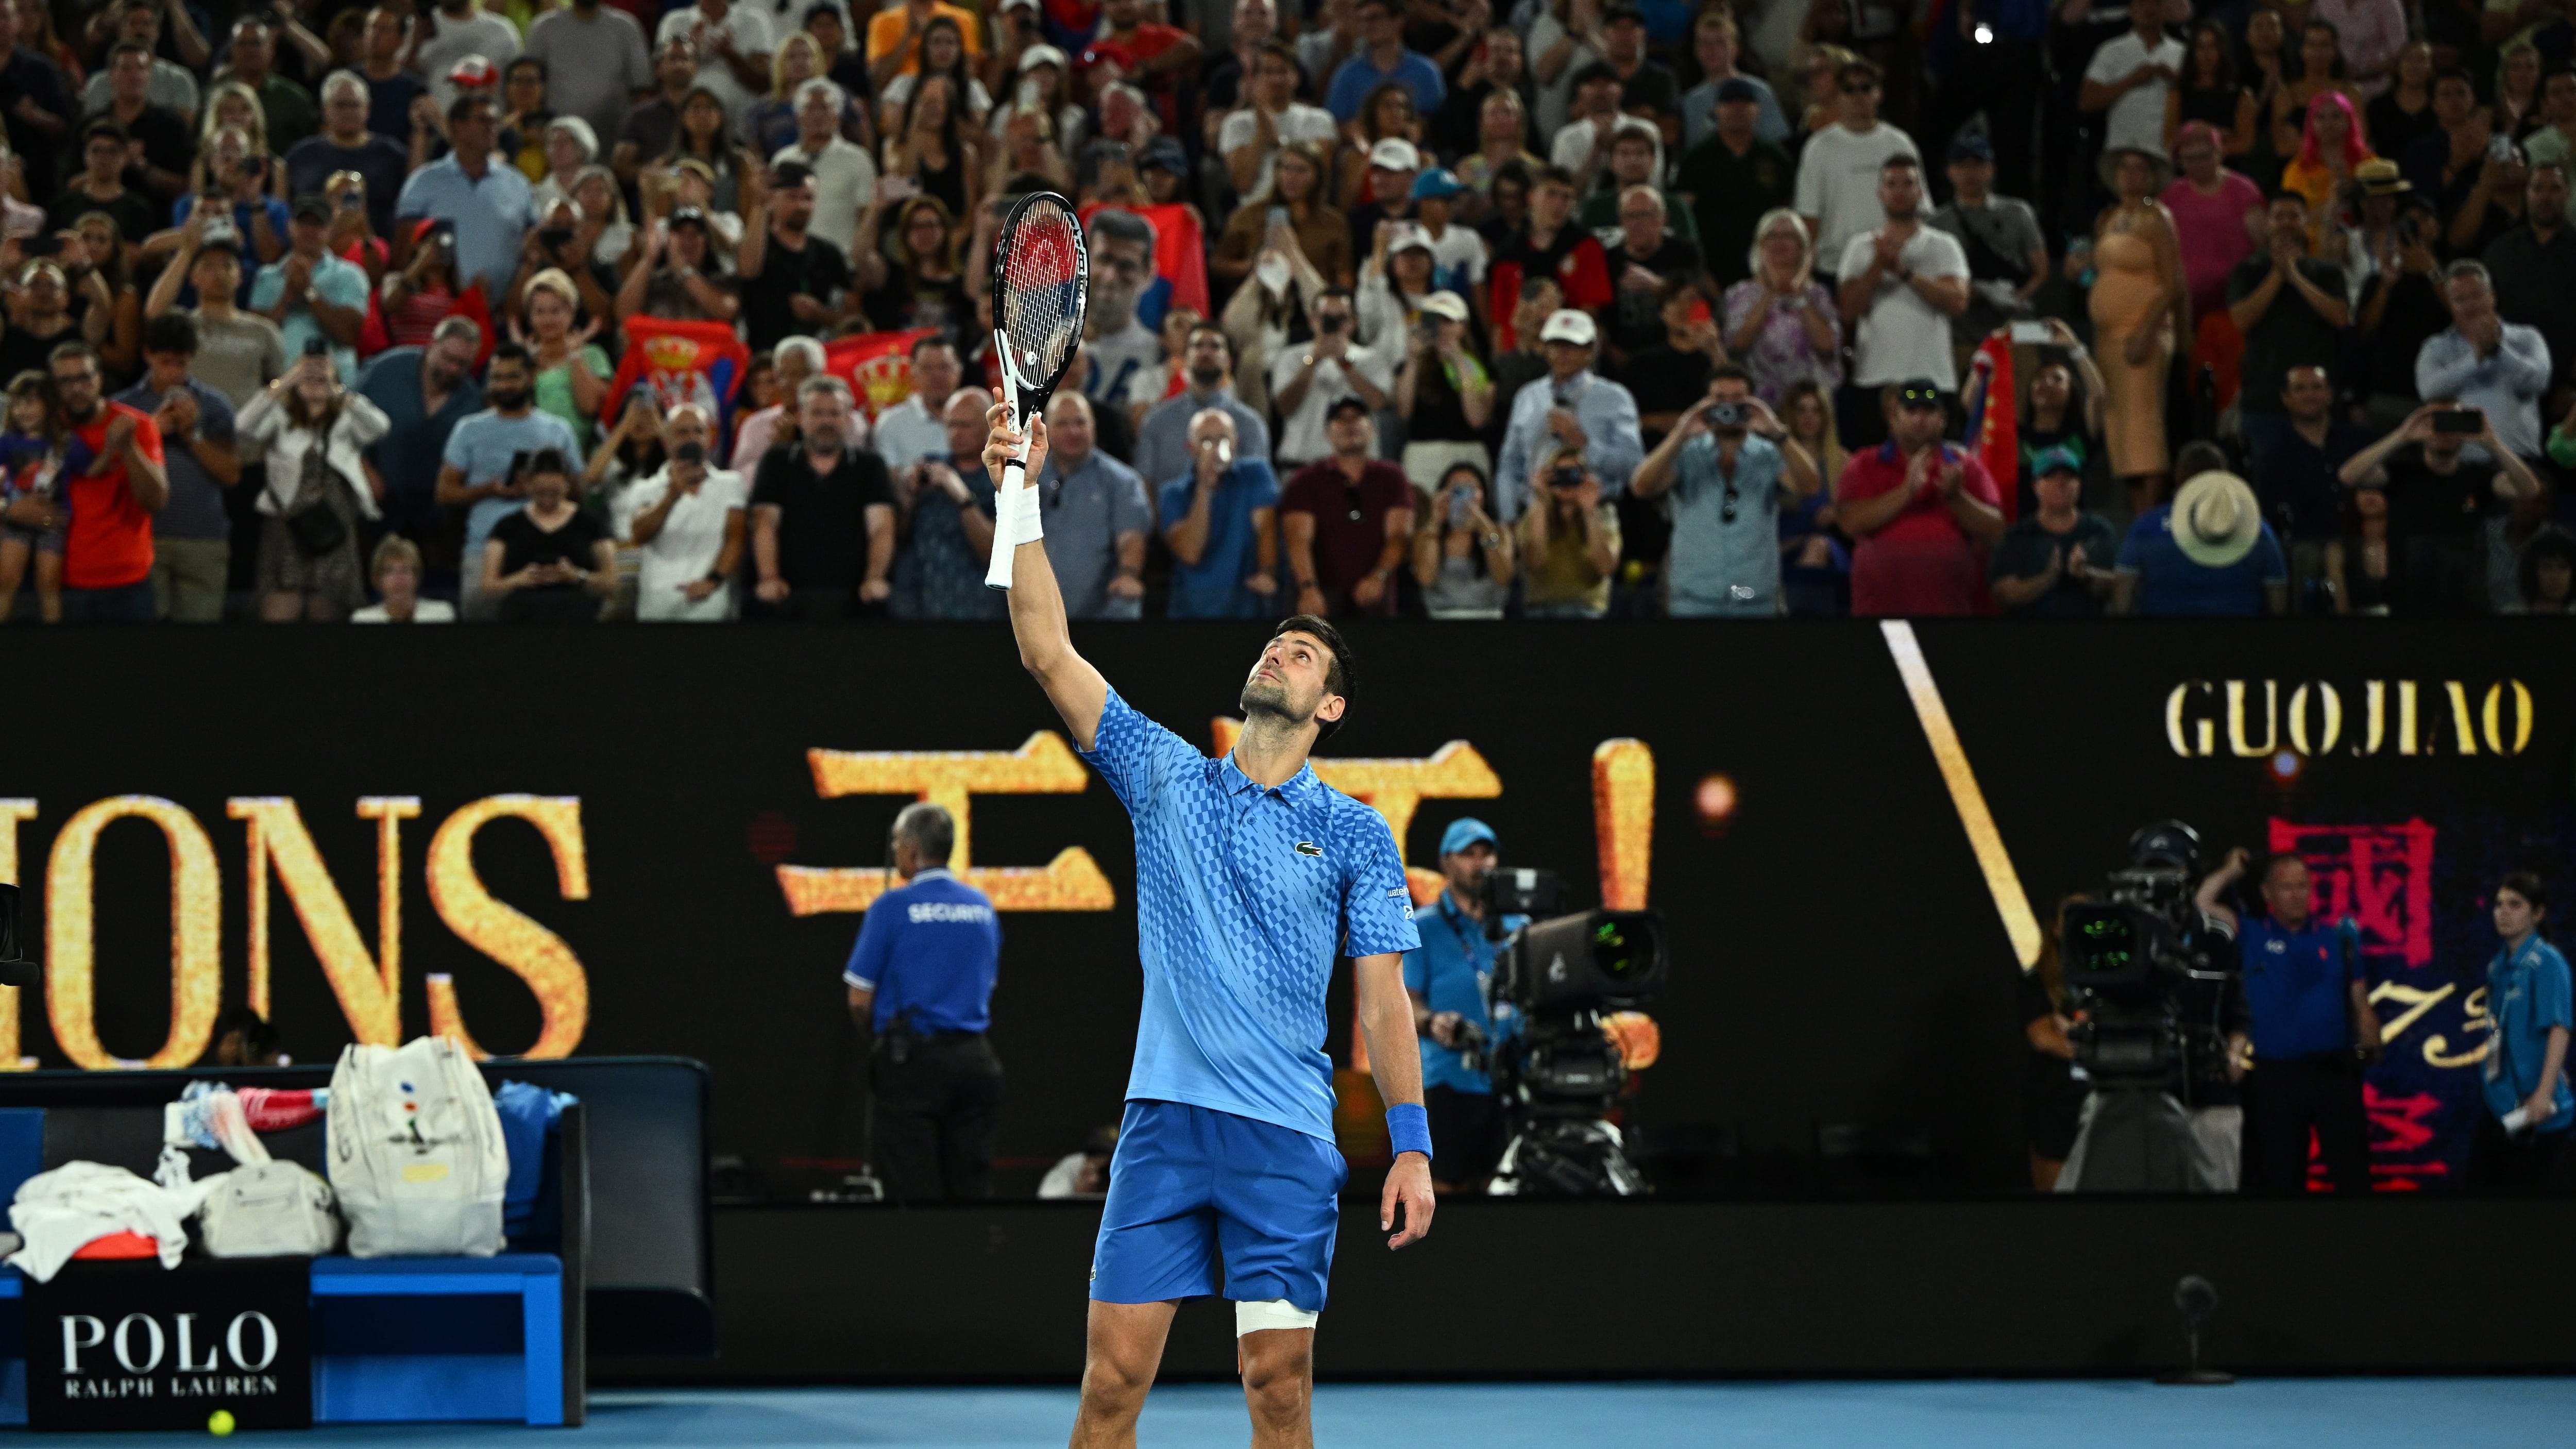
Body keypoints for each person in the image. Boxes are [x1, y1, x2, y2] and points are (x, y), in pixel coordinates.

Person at [980, 387, 1432, 1443]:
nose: (1278, 653)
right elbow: (1047, 647)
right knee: (1108, 1387)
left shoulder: (1359, 834)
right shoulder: (1165, 776)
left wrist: (1408, 1145)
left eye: (1303, 654)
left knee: (1276, 1387)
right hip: (1163, 1129)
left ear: (1330, 707)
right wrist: (1021, 489)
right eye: (1274, 644)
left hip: (1284, 1137)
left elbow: (1381, 1004)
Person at [841, 800, 1004, 1203]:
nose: (895, 852)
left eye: (897, 844)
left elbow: (860, 1000)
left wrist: (881, 1041)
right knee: (971, 1190)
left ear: (912, 850)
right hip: (975, 1064)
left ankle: (924, 1265)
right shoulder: (982, 908)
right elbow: (987, 983)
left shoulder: (891, 908)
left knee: (912, 1193)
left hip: (913, 1066)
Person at [2194, 848, 2380, 1196]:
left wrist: (2372, 1038)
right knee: (2281, 1179)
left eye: (2303, 886)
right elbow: (2202, 905)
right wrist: (2231, 871)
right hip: (2274, 1077)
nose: (2298, 895)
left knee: (2353, 1176)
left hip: (2334, 1074)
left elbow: (2359, 999)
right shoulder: (2250, 932)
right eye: (2287, 887)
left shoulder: (2338, 936)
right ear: (2268, 894)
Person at [1629, 363, 1817, 617]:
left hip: (1752, 596)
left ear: (1752, 404)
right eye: (1719, 398)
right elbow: (1641, 487)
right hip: (1693, 598)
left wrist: (1777, 432)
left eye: (1738, 399)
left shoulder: (1769, 454)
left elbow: (1811, 486)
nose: (1728, 406)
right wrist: (1681, 432)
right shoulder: (1686, 453)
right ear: (1706, 403)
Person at [1402, 817, 1526, 1193]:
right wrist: (1435, 1022)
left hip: (1510, 1079)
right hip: (1450, 1080)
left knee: (1507, 1189)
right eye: (1468, 854)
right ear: (1446, 863)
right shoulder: (1423, 927)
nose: (1480, 863)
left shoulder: (1518, 925)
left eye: (1486, 854)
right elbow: (1408, 1002)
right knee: (1443, 1189)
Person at [2334, 401, 2543, 615]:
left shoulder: (2478, 478)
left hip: (2464, 604)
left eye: (2453, 424)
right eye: (2438, 423)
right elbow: (2349, 476)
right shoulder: (2402, 473)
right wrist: (2402, 435)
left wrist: (2492, 443)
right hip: (2409, 602)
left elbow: (2529, 490)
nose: (2445, 432)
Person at [236, 349, 388, 622]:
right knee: (281, 607)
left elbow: (380, 427)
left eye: (321, 378)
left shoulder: (347, 420)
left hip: (335, 524)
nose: (314, 381)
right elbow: (243, 424)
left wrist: (338, 391)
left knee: (326, 608)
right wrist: (285, 381)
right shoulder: (280, 419)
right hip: (287, 525)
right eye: (307, 376)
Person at [435, 343, 583, 620]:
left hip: (548, 549)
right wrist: (489, 491)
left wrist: (544, 488)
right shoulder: (469, 429)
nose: (504, 385)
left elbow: (579, 493)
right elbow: (444, 492)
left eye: (513, 377)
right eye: (497, 378)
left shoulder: (558, 429)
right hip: (484, 548)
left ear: (531, 377)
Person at [1835, 379, 2005, 617]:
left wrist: (1957, 499)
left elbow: (1996, 530)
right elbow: (1849, 522)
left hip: (1951, 612)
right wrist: (1907, 492)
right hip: (1880, 613)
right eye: (1911, 411)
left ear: (1943, 419)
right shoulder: (1864, 463)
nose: (1920, 419)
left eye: (1929, 411)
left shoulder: (1965, 466)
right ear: (1894, 417)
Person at [1834, 157, 1969, 450]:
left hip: (1933, 377)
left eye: (1908, 183)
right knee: (1876, 468)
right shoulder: (1860, 247)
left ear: (1921, 191)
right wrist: (1878, 266)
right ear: (1880, 192)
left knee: (1936, 469)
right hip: (1875, 379)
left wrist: (1905, 273)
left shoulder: (1943, 246)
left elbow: (1957, 302)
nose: (1899, 191)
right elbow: (1848, 310)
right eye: (1891, 184)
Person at [117, 313, 236, 621]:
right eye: (165, 362)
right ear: (147, 355)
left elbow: (231, 474)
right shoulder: (121, 407)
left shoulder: (214, 405)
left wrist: (193, 436)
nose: (173, 373)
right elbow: (107, 472)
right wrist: (151, 431)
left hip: (203, 539)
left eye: (181, 364)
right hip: (142, 538)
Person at [2089, 144, 2187, 512]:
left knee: (2145, 432)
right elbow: (2104, 272)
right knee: (2122, 435)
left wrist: (2148, 329)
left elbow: (2172, 282)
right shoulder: (2110, 218)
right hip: (2109, 338)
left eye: (2139, 169)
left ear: (2151, 178)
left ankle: (2150, 516)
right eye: (2124, 169)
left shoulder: (2157, 217)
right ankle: (2135, 514)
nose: (2130, 176)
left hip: (2143, 332)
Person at [751, 376, 892, 618]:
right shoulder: (777, 461)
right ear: (799, 418)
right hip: (787, 598)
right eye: (817, 413)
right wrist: (769, 577)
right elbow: (764, 523)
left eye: (835, 413)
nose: (826, 421)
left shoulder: (871, 465)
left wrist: (874, 578)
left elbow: (881, 527)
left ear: (848, 418)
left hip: (855, 599)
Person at [2228, 193, 2351, 464]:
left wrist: (2295, 276)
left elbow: (2340, 317)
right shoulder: (2247, 271)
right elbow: (2242, 320)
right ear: (2267, 224)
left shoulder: (2328, 272)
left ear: (2307, 223)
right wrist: (2277, 275)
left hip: (2317, 402)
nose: (2286, 223)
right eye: (2279, 216)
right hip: (2264, 399)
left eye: (2294, 216)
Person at [48, 341, 165, 622]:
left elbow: (156, 501)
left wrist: (127, 449)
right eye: (66, 381)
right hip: (67, 580)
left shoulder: (136, 425)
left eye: (84, 378)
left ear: (99, 378)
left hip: (130, 580)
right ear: (54, 386)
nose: (76, 389)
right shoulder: (47, 429)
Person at [2469, 871, 2570, 1193]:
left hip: (2536, 1109)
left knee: (2523, 1203)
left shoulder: (2547, 962)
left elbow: (2559, 1027)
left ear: (2537, 914)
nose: (2504, 912)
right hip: (2502, 1099)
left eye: (2515, 904)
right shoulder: (2498, 967)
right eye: (2499, 904)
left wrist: (2545, 1091)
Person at [1492, 308, 1641, 523]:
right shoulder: (1528, 396)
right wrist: (1508, 518)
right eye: (1556, 344)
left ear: (1590, 350)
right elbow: (1509, 464)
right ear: (1545, 348)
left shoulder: (1615, 398)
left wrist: (1584, 444)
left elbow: (1633, 465)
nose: (1562, 353)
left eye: (1572, 345)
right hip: (1537, 512)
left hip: (1593, 513)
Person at [355, 316, 481, 554]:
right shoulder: (385, 370)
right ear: (432, 345)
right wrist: (363, 466)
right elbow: (343, 419)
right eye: (448, 358)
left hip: (434, 519)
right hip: (376, 505)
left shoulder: (472, 401)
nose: (453, 369)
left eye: (463, 365)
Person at [396, 93, 534, 300]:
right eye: (482, 120)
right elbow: (402, 254)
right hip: (437, 314)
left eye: (495, 121)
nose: (492, 127)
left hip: (501, 314)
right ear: (456, 127)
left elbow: (532, 247)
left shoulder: (517, 184)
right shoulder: (424, 182)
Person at [2111, 458, 2289, 616]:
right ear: (2225, 479)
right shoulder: (2258, 530)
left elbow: (2122, 600)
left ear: (2178, 479)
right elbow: (2279, 602)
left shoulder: (2146, 527)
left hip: (2160, 642)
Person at [1791, 59, 1917, 281]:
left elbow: (1918, 206)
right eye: (1849, 90)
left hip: (1895, 264)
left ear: (1879, 93)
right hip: (1835, 266)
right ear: (1838, 96)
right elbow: (1808, 214)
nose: (1858, 95)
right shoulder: (1819, 148)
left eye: (1866, 88)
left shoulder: (1900, 143)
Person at [621, 405, 748, 622]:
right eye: (682, 432)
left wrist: (713, 581)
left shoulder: (731, 484)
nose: (692, 438)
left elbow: (736, 538)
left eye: (698, 431)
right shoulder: (645, 489)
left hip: (712, 607)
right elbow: (639, 534)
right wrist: (672, 495)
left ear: (709, 438)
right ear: (666, 440)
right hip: (657, 608)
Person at [2415, 262, 2551, 464]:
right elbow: (2429, 390)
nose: (2470, 306)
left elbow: (2539, 381)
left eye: (2476, 296)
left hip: (2520, 462)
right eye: (2460, 300)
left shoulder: (2527, 338)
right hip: (2463, 465)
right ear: (2451, 305)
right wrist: (2476, 360)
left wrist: (2498, 351)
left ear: (2493, 296)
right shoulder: (2436, 348)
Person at [886, 389, 1000, 621]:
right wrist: (908, 496)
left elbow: (994, 554)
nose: (956, 434)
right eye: (950, 425)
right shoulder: (930, 467)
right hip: (917, 609)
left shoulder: (1003, 478)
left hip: (977, 612)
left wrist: (962, 497)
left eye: (965, 426)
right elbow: (899, 536)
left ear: (990, 427)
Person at [1927, 132, 2046, 351]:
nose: (1970, 173)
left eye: (1978, 164)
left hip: (2018, 325)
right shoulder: (1935, 223)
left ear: (1992, 169)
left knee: (2024, 380)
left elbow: (2041, 269)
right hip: (1961, 330)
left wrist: (2018, 297)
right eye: (1962, 165)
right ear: (1950, 172)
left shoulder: (2018, 212)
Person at [1674, 77, 1794, 292]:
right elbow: (1683, 218)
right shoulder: (1697, 159)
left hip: (1766, 265)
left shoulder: (1776, 158)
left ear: (1757, 110)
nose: (1738, 109)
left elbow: (1789, 212)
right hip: (1711, 266)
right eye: (1729, 103)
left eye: (1745, 103)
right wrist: (1696, 269)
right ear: (1717, 111)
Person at [1160, 408, 1281, 619]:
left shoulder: (1256, 474)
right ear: (1191, 448)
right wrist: (1204, 487)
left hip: (1248, 612)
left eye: (1223, 439)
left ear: (1236, 443)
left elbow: (1265, 527)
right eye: (1206, 441)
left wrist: (1267, 573)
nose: (1216, 448)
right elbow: (1190, 552)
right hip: (1190, 615)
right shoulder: (1173, 494)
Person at [482, 446, 615, 622]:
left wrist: (577, 576)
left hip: (576, 616)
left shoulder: (591, 524)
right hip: (521, 616)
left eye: (555, 493)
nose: (547, 501)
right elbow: (488, 585)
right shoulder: (507, 526)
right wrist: (517, 580)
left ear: (568, 485)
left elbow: (611, 582)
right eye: (540, 493)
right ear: (527, 484)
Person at [1723, 210, 1839, 406]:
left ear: (1802, 246)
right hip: (1760, 401)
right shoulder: (1740, 294)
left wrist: (1799, 294)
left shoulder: (1817, 295)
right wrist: (1771, 292)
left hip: (1809, 405)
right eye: (1772, 235)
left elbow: (1828, 347)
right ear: (1760, 245)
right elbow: (1737, 346)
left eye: (1789, 236)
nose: (1780, 242)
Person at [250, 194, 369, 384]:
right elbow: (255, 340)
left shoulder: (350, 275)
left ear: (330, 230)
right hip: (281, 384)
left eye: (317, 225)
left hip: (335, 385)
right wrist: (288, 296)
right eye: (303, 224)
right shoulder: (268, 276)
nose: (309, 231)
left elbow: (348, 336)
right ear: (290, 227)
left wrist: (310, 293)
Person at [1135, 325, 1272, 490]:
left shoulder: (1251, 424)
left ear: (1229, 361)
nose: (1206, 353)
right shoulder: (1157, 421)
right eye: (1197, 346)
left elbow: (1258, 489)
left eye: (1215, 347)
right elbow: (1145, 485)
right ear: (1185, 358)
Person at [1990, 445, 2118, 617]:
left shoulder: (2099, 532)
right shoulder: (2017, 536)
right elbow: (2003, 595)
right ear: (2035, 485)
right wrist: (2047, 579)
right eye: (2051, 476)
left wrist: (2087, 576)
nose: (2061, 483)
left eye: (2068, 476)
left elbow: (2119, 588)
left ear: (2079, 484)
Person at [2161, 122, 2264, 326]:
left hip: (2233, 300)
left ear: (2220, 153)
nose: (2198, 164)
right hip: (2185, 303)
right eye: (2189, 159)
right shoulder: (2171, 194)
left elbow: (2262, 246)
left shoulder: (2244, 191)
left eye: (2204, 156)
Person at [287, 74, 413, 242]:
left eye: (354, 105)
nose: (348, 112)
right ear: (325, 109)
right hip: (314, 258)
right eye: (340, 105)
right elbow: (286, 213)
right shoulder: (300, 156)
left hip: (378, 256)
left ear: (367, 109)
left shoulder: (393, 155)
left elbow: (408, 212)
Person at [524, 0, 657, 147]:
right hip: (557, 146)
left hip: (614, 144)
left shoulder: (626, 27)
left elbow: (642, 92)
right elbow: (527, 88)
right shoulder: (544, 28)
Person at [773, 77, 875, 258]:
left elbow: (868, 221)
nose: (817, 115)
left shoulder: (859, 160)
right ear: (798, 116)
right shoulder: (782, 161)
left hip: (841, 264)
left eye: (825, 108)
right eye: (810, 108)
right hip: (789, 264)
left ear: (838, 116)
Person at [1514, 446, 1619, 617]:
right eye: (1559, 474)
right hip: (1541, 610)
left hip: (1587, 610)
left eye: (1573, 474)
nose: (1566, 482)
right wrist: (1541, 500)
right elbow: (1533, 564)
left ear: (1585, 478)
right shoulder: (1535, 514)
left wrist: (1590, 513)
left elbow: (1606, 567)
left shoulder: (1604, 514)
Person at [1413, 460, 1513, 618]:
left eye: (1472, 488)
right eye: (1456, 488)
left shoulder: (1499, 532)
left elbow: (1503, 577)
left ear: (1484, 495)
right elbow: (1426, 578)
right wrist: (1435, 524)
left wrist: (1484, 528)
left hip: (1488, 619)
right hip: (1440, 620)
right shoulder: (1428, 534)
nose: (1465, 494)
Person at [1327, 0, 1444, 123]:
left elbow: (1438, 121)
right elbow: (1335, 121)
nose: (1368, 25)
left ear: (1398, 21)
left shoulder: (1425, 71)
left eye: (1375, 18)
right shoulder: (1348, 73)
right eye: (1362, 20)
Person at [868, 335, 957, 474]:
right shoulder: (891, 423)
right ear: (913, 372)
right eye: (927, 368)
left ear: (959, 371)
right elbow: (890, 486)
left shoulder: (982, 416)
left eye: (944, 367)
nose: (937, 375)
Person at [350, 535, 455, 622]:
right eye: (390, 571)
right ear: (378, 580)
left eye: (405, 570)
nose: (399, 578)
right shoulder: (363, 620)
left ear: (417, 577)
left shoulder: (441, 615)